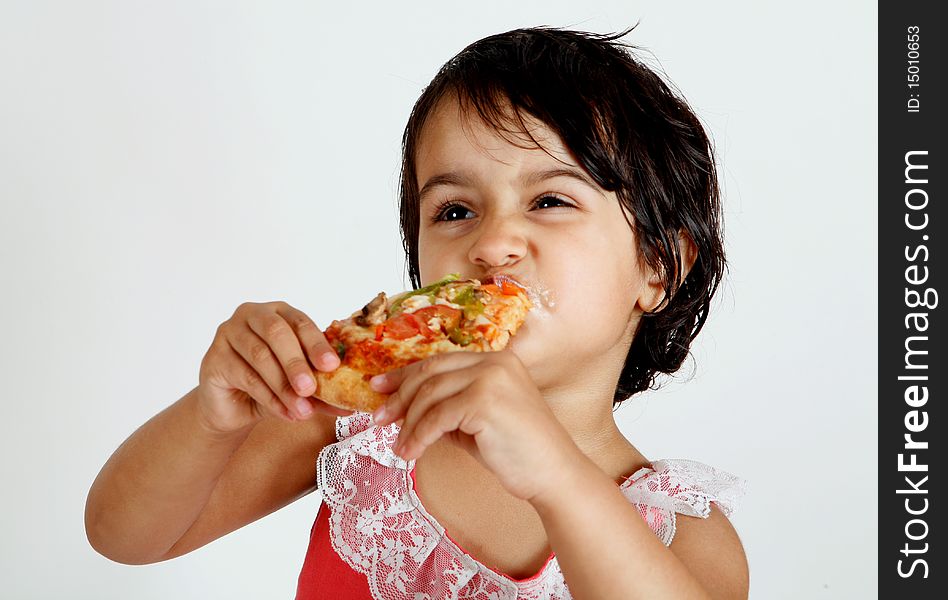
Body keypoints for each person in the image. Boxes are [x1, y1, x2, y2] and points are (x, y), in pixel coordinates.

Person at [85, 25, 749, 600]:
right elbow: (124, 536)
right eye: (455, 211)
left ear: (659, 266)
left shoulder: (683, 531)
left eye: (550, 200)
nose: (492, 245)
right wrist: (212, 418)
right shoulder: (362, 424)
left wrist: (556, 472)